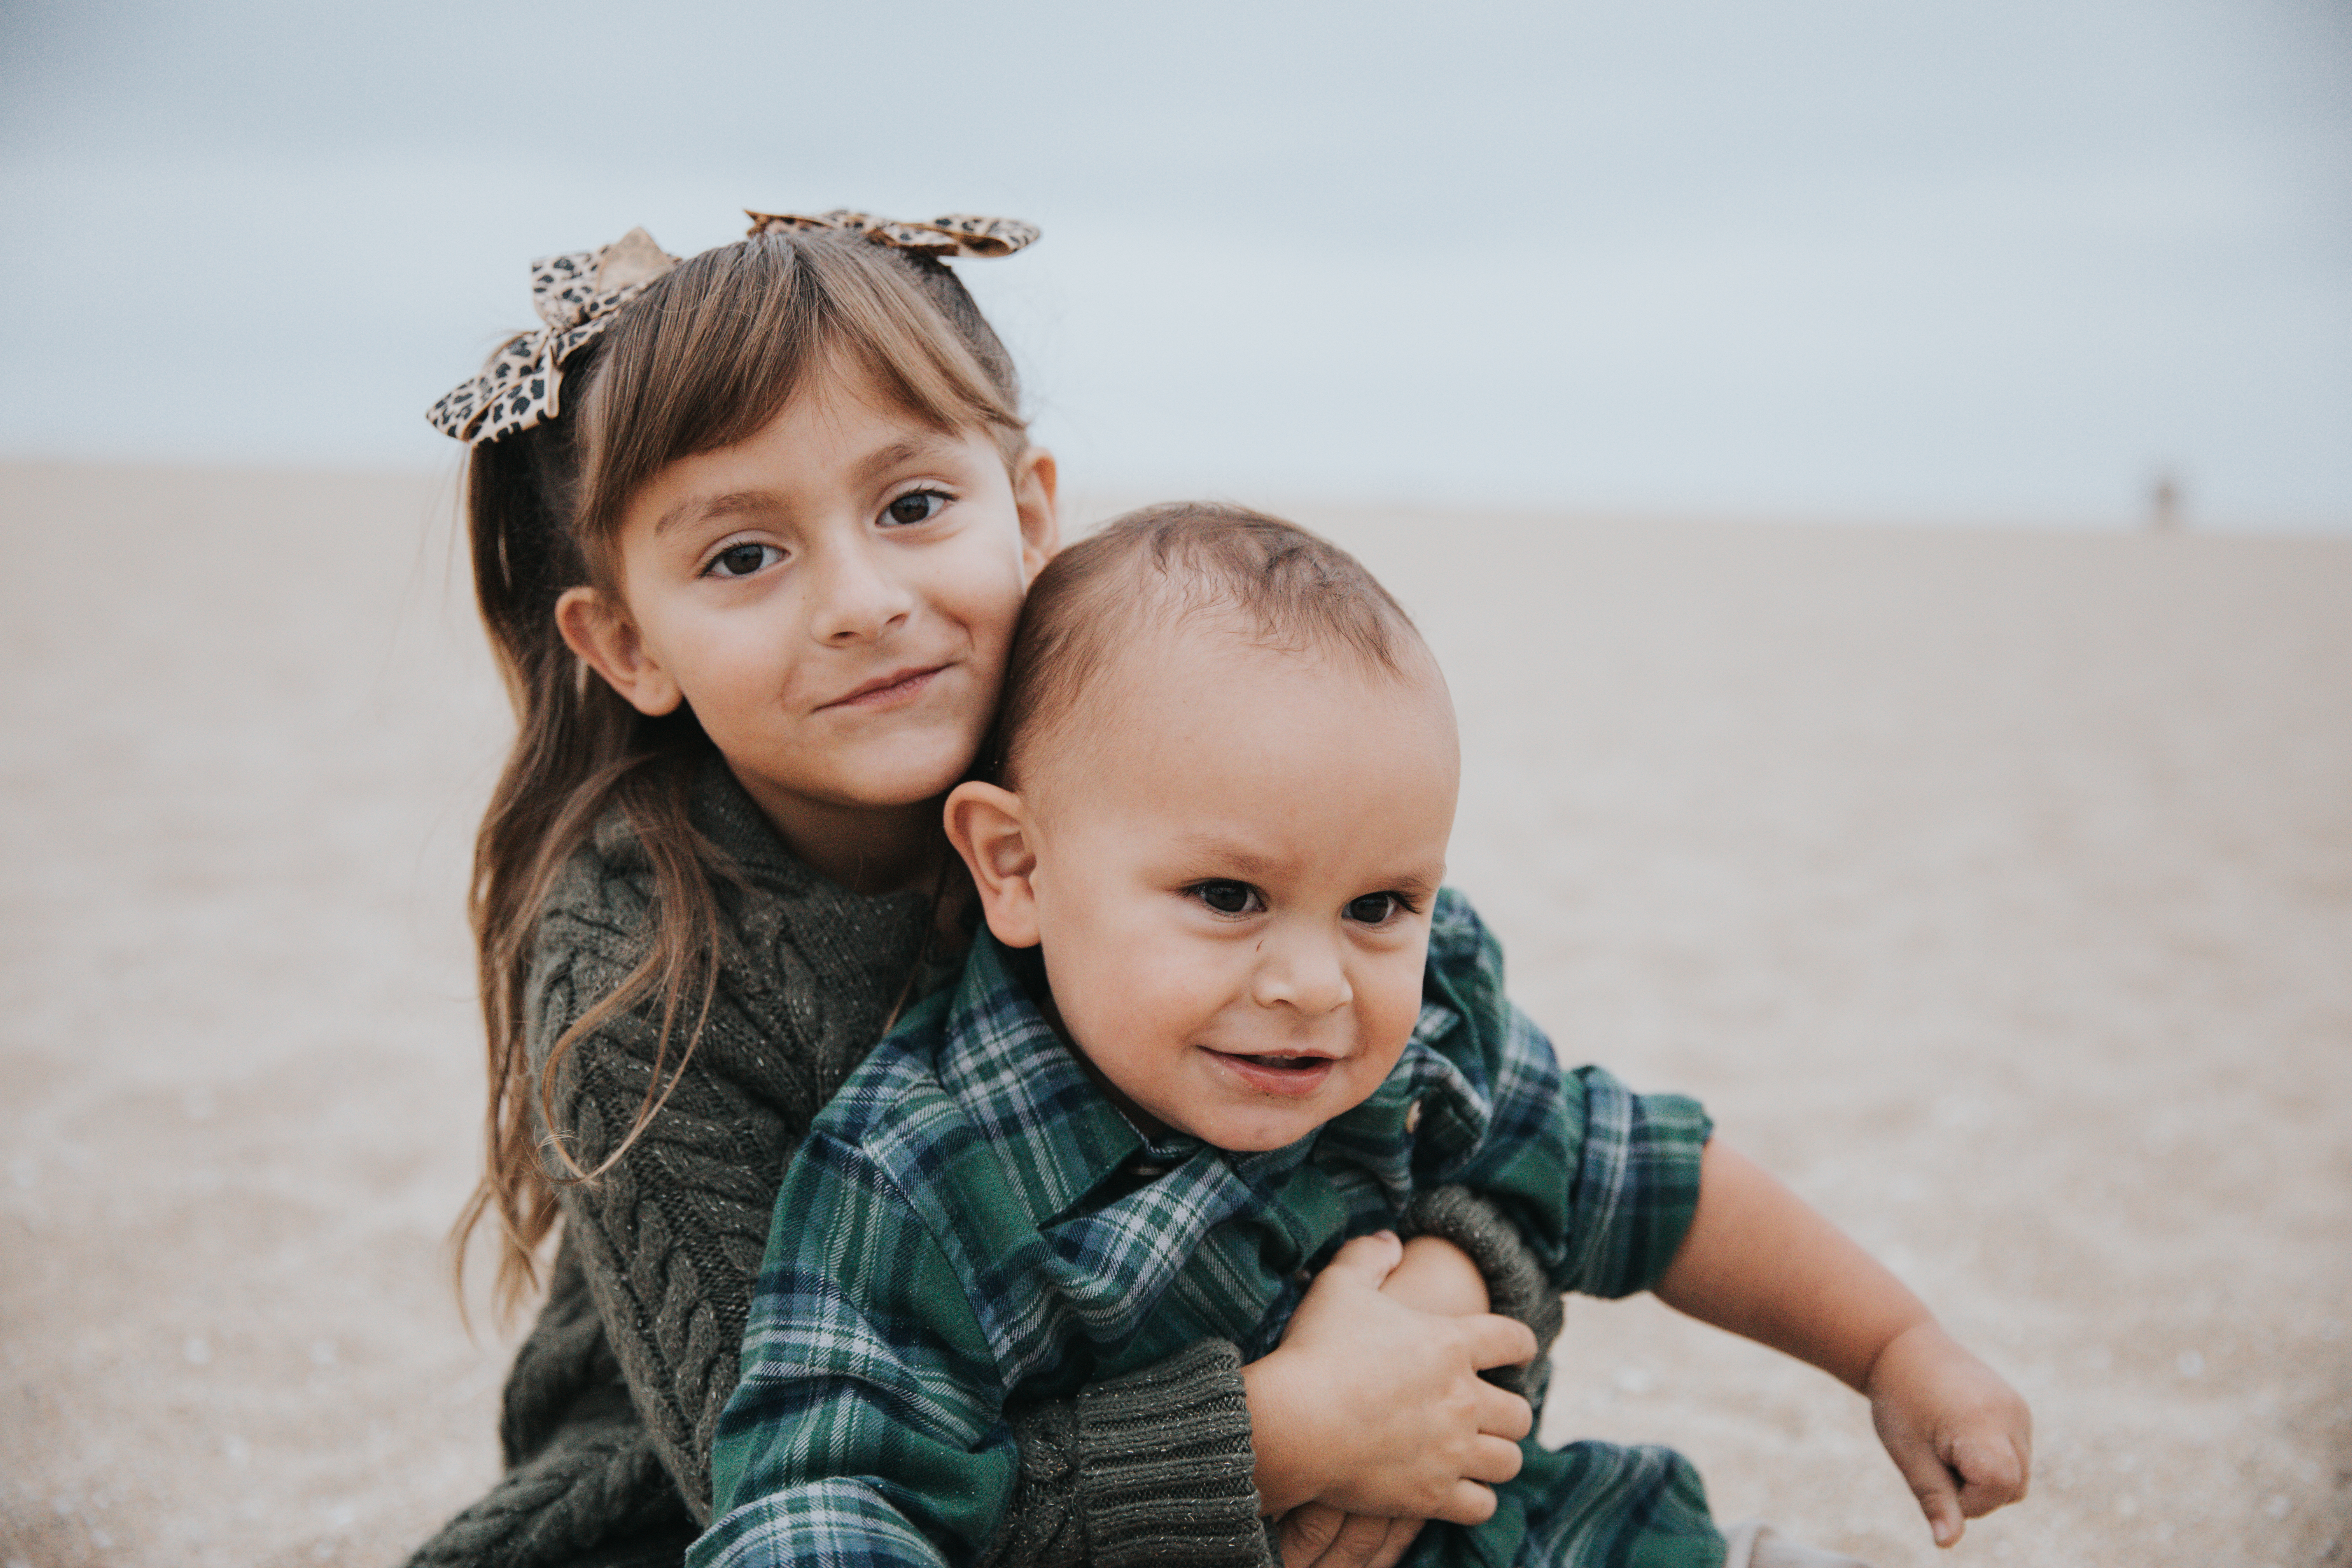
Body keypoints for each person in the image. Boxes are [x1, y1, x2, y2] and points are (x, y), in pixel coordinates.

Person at [407, 214, 1569, 1568]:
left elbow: (1503, 1107)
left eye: (911, 508)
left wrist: (1446, 1289)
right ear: (627, 645)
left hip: (1166, 1397)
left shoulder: (1146, 747)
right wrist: (1281, 1434)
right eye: (743, 557)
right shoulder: (637, 979)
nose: (862, 602)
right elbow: (786, 1490)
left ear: (1025, 512)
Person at [692, 507, 2035, 1568]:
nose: (1314, 984)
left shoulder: (1430, 1032)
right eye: (1228, 897)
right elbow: (824, 1495)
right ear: (1018, 866)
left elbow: (1644, 1176)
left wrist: (1893, 1346)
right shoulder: (923, 1167)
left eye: (1380, 906)